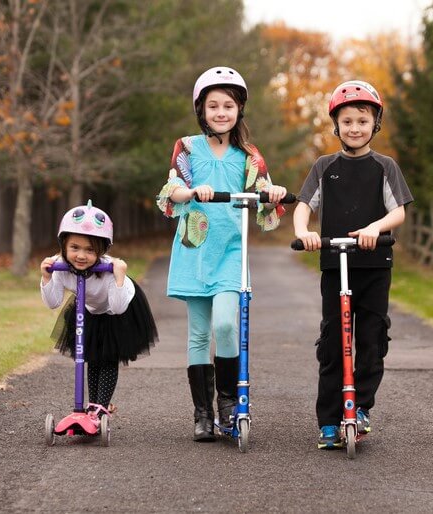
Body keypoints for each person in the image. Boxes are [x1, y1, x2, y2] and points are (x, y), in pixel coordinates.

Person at [156, 66, 288, 442]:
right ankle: (202, 413)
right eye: (213, 105)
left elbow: (263, 194)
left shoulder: (248, 155)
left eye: (227, 105)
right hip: (195, 249)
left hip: (232, 250)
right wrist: (193, 192)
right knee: (199, 332)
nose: (220, 112)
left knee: (226, 324)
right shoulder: (188, 147)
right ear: (201, 110)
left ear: (239, 109)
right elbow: (172, 188)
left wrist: (273, 192)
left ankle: (228, 403)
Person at [293, 80, 413, 449]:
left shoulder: (384, 166)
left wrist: (375, 228)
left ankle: (359, 407)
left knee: (371, 340)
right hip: (335, 263)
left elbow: (399, 212)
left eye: (362, 120)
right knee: (333, 341)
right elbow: (303, 206)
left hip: (375, 264)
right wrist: (304, 231)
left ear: (374, 123)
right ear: (336, 126)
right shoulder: (324, 166)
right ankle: (329, 420)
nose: (355, 128)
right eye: (347, 121)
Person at [40, 201, 158, 416]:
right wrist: (47, 276)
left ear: (102, 250)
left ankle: (101, 407)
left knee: (108, 357)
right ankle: (91, 407)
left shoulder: (109, 271)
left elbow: (119, 307)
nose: (81, 256)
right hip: (92, 309)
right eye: (74, 248)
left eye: (90, 250)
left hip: (120, 305)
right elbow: (53, 302)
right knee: (92, 356)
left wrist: (119, 274)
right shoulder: (60, 268)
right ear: (63, 246)